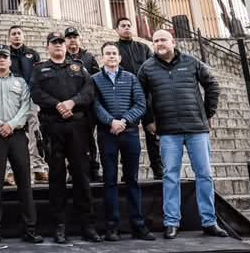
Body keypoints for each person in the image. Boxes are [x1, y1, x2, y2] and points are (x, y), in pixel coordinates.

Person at [138, 29, 227, 239]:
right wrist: (148, 120)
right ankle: (171, 222)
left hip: (197, 129)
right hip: (168, 132)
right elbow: (140, 97)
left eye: (163, 40)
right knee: (171, 176)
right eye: (156, 40)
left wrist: (206, 112)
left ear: (173, 42)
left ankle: (209, 221)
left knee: (204, 174)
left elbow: (212, 85)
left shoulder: (191, 61)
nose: (159, 43)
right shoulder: (147, 68)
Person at [31, 32, 100, 243]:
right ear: (48, 47)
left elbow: (89, 91)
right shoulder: (39, 69)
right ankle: (59, 225)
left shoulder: (78, 67)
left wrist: (71, 103)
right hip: (52, 127)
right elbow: (36, 92)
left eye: (61, 43)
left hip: (77, 127)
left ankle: (87, 224)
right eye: (55, 43)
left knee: (81, 176)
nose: (59, 46)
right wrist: (58, 105)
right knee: (57, 177)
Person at [0, 46, 42, 246]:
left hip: (17, 136)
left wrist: (11, 125)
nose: (1, 60)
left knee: (24, 183)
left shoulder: (20, 82)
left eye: (4, 57)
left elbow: (26, 106)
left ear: (10, 61)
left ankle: (30, 229)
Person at [93, 43, 154, 241]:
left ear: (119, 58)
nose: (111, 56)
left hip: (129, 134)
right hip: (107, 135)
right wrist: (111, 121)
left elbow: (140, 104)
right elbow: (94, 105)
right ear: (102, 57)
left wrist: (124, 121)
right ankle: (112, 226)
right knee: (110, 181)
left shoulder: (131, 78)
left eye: (114, 53)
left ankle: (138, 225)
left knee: (132, 180)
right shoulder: (94, 80)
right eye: (107, 54)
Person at [115, 18, 164, 179]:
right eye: (123, 26)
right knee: (127, 135)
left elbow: (154, 67)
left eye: (129, 26)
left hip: (147, 97)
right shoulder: (114, 49)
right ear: (117, 30)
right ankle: (128, 173)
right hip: (126, 99)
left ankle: (158, 169)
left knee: (153, 133)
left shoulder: (143, 48)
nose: (127, 28)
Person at [7, 25, 48, 183]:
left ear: (23, 37)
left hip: (31, 99)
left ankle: (38, 169)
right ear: (9, 37)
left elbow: (38, 76)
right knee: (11, 134)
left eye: (19, 33)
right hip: (12, 100)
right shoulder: (5, 54)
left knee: (35, 134)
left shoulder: (33, 54)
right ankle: (11, 172)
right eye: (13, 34)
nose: (16, 36)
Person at [64, 27, 101, 182]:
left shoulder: (89, 57)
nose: (72, 39)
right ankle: (73, 172)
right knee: (71, 141)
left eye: (75, 36)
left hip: (87, 106)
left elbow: (96, 79)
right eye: (69, 37)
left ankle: (93, 169)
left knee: (90, 140)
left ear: (79, 39)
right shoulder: (61, 58)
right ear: (65, 41)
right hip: (70, 107)